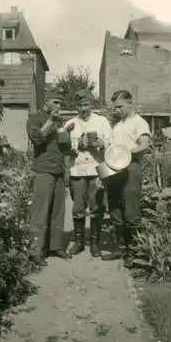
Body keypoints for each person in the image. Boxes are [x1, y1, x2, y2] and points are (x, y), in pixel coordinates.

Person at [101, 89, 151, 262]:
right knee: (115, 208)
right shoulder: (117, 125)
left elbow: (144, 144)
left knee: (130, 210)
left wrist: (125, 153)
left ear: (130, 103)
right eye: (115, 107)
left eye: (120, 106)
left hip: (131, 168)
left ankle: (133, 252)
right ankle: (120, 249)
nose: (117, 110)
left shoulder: (139, 122)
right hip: (115, 169)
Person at [64, 89, 112, 257]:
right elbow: (64, 147)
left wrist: (101, 142)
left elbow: (111, 142)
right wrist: (77, 145)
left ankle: (94, 243)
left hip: (97, 169)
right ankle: (78, 242)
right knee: (78, 207)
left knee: (96, 206)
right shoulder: (70, 124)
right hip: (77, 169)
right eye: (80, 105)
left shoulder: (102, 121)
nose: (83, 108)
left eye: (86, 104)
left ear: (91, 104)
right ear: (76, 106)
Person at [26, 95, 71, 267]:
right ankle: (35, 250)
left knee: (58, 211)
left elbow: (64, 147)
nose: (59, 105)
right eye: (56, 102)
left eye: (61, 102)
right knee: (40, 211)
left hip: (59, 169)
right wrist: (50, 121)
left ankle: (55, 246)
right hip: (43, 170)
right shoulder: (35, 117)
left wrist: (68, 133)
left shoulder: (59, 120)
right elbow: (36, 139)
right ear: (46, 101)